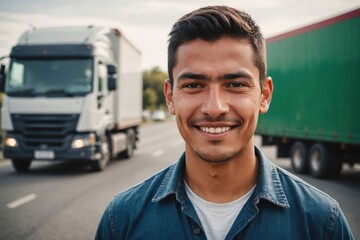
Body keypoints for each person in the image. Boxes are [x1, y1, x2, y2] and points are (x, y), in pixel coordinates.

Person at [95, 6, 354, 240]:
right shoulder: (121, 221)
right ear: (170, 97)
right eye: (194, 85)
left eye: (235, 84)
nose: (215, 108)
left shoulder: (322, 223)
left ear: (264, 95)